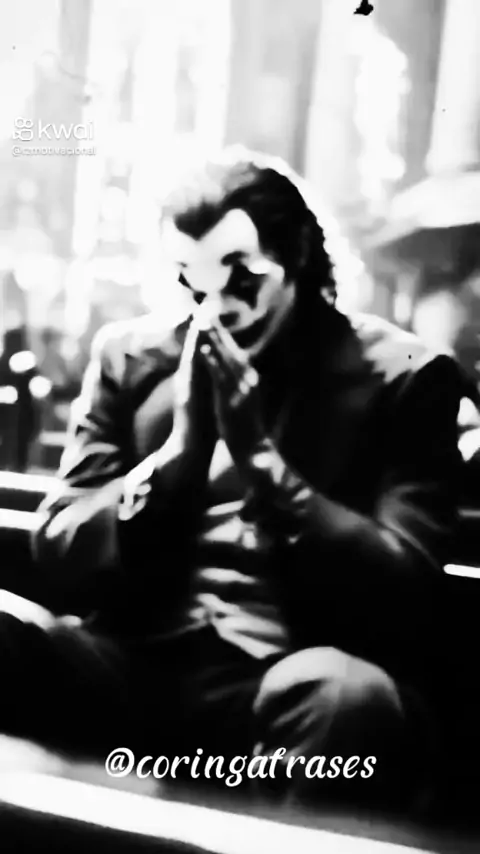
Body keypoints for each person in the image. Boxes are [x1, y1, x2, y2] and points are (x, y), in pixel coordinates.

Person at [0, 148, 463, 811]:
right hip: (130, 663)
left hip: (284, 681)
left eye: (243, 280)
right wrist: (179, 458)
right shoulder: (133, 359)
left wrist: (266, 468)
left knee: (345, 695)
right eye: (193, 284)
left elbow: (408, 586)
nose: (218, 308)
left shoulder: (403, 378)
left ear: (297, 256)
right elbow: (60, 539)